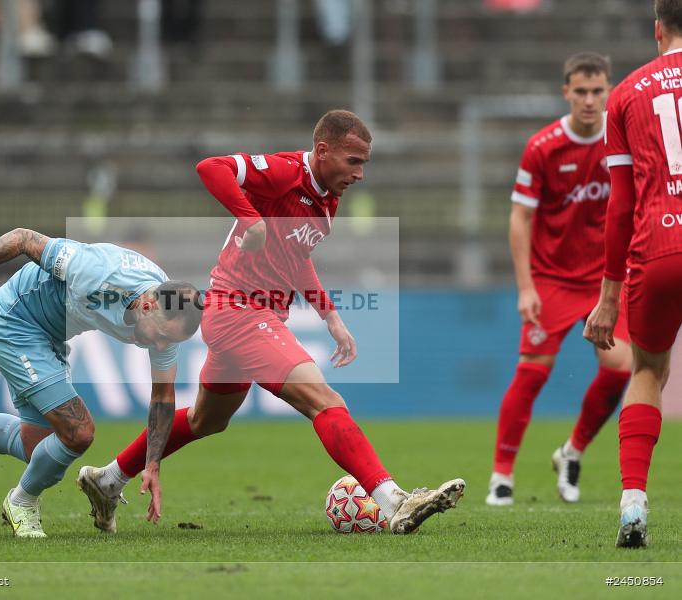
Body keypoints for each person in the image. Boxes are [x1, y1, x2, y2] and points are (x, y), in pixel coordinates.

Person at [76, 110, 465, 536]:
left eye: (364, 164)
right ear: (322, 151)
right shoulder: (285, 172)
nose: (360, 174)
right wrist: (250, 217)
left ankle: (108, 479)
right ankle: (393, 503)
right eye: (354, 161)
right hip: (241, 311)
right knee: (324, 399)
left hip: (243, 317)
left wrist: (329, 315)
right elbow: (211, 168)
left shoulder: (327, 198)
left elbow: (296, 256)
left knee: (208, 419)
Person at [0, 228, 202, 538]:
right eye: (164, 336)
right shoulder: (97, 271)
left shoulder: (168, 320)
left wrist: (152, 463)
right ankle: (21, 501)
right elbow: (21, 238)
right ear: (148, 306)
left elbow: (163, 397)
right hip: (12, 322)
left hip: (49, 336)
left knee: (36, 450)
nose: (163, 346)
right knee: (79, 432)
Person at [486, 53, 633, 507]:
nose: (590, 100)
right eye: (581, 91)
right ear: (566, 91)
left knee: (622, 367)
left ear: (609, 90)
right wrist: (526, 286)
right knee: (532, 372)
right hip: (552, 278)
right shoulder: (543, 146)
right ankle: (501, 477)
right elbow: (520, 218)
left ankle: (572, 451)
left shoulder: (623, 139)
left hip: (607, 279)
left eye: (598, 91)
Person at [584, 0, 682, 548]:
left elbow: (619, 206)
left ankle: (633, 506)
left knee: (647, 370)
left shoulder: (626, 93)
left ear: (657, 29)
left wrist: (607, 298)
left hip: (660, 247)